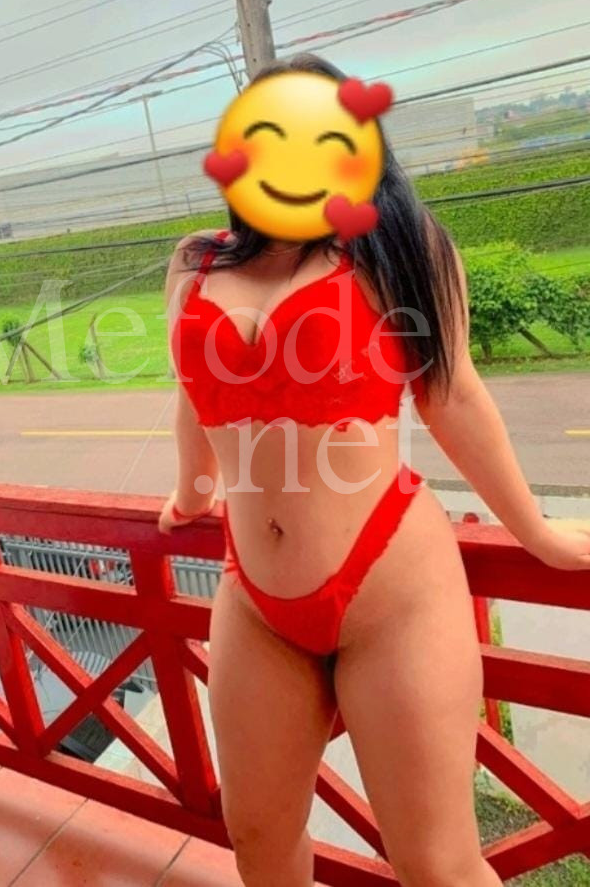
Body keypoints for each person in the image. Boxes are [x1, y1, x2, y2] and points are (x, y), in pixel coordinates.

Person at [157, 52, 590, 887]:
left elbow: (454, 396)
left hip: (390, 586)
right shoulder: (197, 261)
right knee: (259, 842)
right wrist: (190, 491)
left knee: (436, 864)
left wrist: (532, 530)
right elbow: (192, 393)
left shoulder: (402, 247)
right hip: (254, 595)